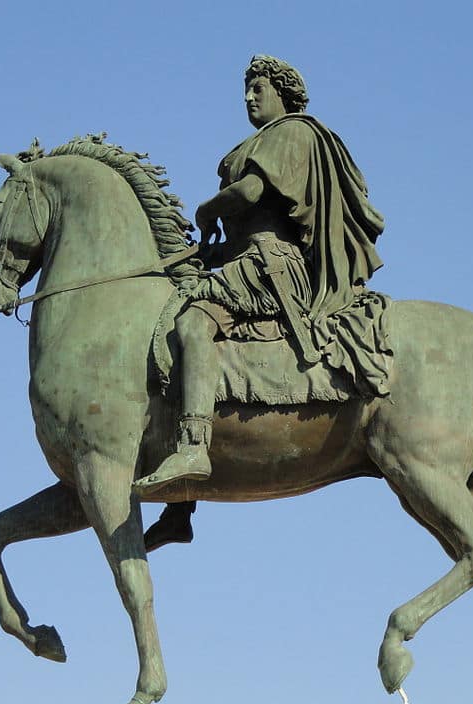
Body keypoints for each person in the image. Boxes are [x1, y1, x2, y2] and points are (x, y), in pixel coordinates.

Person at [137, 55, 385, 547]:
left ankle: (193, 449)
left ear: (283, 93)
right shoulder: (257, 141)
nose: (249, 96)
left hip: (273, 265)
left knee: (191, 326)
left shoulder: (294, 131)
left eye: (258, 88)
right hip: (242, 258)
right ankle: (179, 508)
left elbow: (250, 191)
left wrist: (210, 208)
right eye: (246, 89)